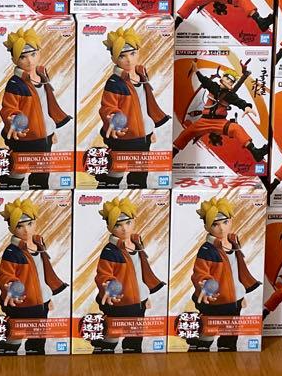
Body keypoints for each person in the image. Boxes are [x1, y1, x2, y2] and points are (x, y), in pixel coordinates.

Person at [0, 27, 71, 189]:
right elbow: (8, 107)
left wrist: (51, 130)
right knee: (18, 171)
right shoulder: (15, 83)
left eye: (33, 54)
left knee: (41, 173)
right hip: (24, 136)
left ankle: (38, 194)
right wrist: (13, 119)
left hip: (44, 136)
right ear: (14, 60)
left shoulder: (42, 77)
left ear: (39, 53)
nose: (29, 60)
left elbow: (46, 106)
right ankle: (8, 190)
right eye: (23, 57)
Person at [183, 196, 260, 351]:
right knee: (207, 334)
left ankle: (227, 354)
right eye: (215, 224)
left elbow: (236, 272)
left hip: (234, 301)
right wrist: (205, 284)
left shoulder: (233, 243)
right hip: (215, 301)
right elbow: (200, 272)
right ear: (207, 227)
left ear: (231, 221)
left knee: (230, 336)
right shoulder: (207, 249)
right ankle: (196, 347)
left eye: (225, 222)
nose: (222, 228)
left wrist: (240, 294)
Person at [95, 28, 169, 188]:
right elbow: (107, 106)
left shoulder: (142, 75)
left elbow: (144, 105)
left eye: (132, 53)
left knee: (140, 174)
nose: (129, 59)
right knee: (115, 173)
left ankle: (137, 193)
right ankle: (104, 190)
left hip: (143, 136)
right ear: (114, 59)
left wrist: (149, 130)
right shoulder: (114, 82)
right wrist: (114, 118)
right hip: (124, 136)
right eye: (122, 56)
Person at [0, 198, 68, 355]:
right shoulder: (12, 251)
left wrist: (47, 297)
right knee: (14, 337)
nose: (26, 230)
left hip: (41, 303)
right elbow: (5, 274)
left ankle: (36, 360)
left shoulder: (38, 244)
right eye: (19, 226)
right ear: (11, 228)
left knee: (38, 339)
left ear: (35, 223)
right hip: (21, 303)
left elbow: (42, 273)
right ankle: (5, 356)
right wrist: (11, 285)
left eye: (29, 224)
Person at [92, 196, 164, 354]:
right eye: (118, 225)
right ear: (110, 227)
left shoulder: (137, 244)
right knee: (112, 334)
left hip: (139, 301)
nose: (124, 229)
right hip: (119, 301)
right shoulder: (110, 250)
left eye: (128, 223)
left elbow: (140, 272)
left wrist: (145, 295)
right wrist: (108, 285)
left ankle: (132, 356)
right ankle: (103, 354)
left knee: (135, 337)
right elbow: (103, 274)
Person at [171, 61, 268, 169]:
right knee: (187, 133)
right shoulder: (213, 87)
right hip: (204, 121)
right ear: (222, 78)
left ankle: (255, 152)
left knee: (236, 129)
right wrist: (196, 69)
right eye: (228, 79)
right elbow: (204, 80)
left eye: (232, 81)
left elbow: (239, 102)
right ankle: (173, 153)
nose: (229, 81)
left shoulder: (230, 95)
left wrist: (247, 107)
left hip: (220, 123)